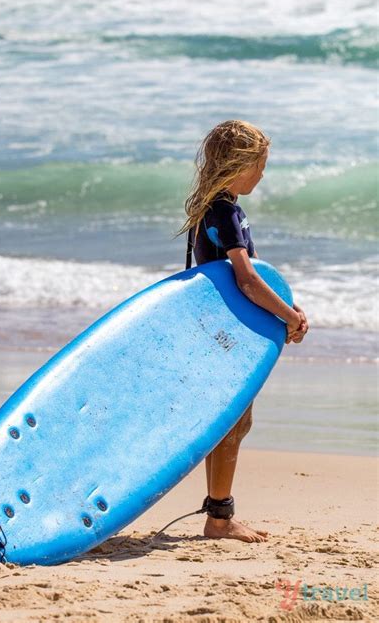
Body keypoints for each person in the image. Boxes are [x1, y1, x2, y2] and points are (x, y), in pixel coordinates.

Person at [177, 119, 309, 543]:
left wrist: (288, 305)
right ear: (238, 165)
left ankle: (219, 513)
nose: (263, 175)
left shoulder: (212, 207)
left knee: (229, 422)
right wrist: (288, 317)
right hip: (227, 335)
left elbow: (255, 277)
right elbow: (247, 280)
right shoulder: (225, 211)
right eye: (260, 166)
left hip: (214, 329)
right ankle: (220, 519)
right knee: (235, 421)